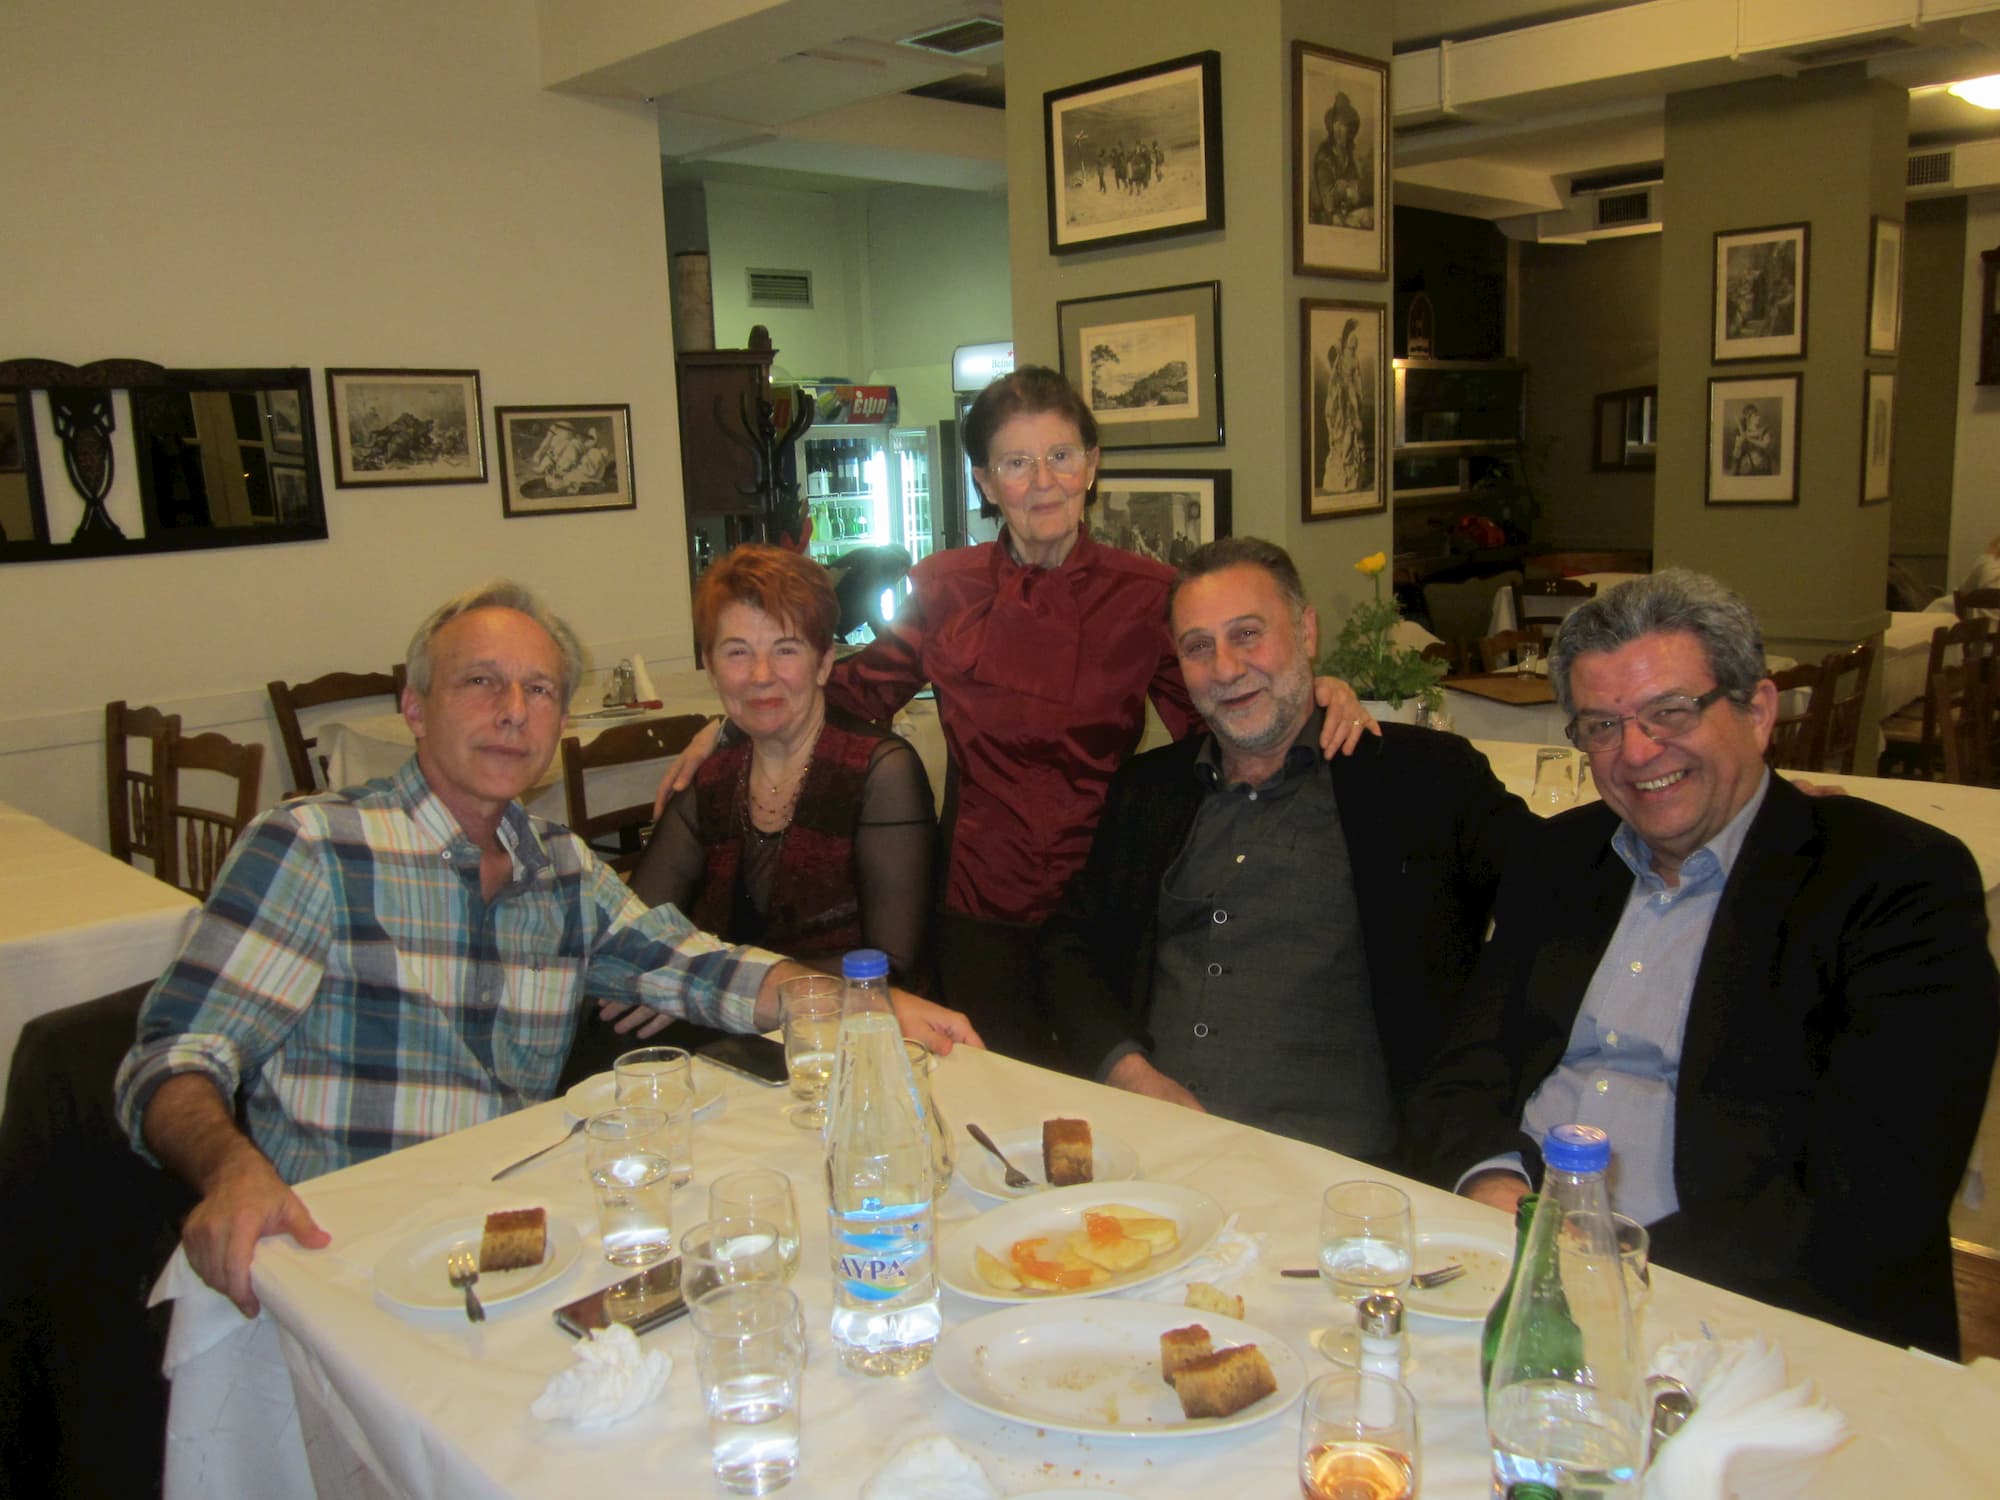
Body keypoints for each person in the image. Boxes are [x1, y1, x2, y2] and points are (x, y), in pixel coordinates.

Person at [113, 580, 976, 1317]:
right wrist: (231, 1169)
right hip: (337, 1262)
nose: (512, 713)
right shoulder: (317, 849)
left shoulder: (557, 866)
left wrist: (869, 1004)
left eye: (539, 690)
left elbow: (695, 965)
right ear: (415, 707)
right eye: (480, 683)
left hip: (508, 1256)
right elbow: (172, 1056)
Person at [659, 367, 1373, 1063]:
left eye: (1061, 456)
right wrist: (728, 729)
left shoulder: (1147, 593)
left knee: (1109, 1088)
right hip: (977, 905)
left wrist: (1315, 694)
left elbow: (1220, 716)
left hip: (1109, 900)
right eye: (1017, 463)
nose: (1042, 481)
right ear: (985, 481)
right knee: (996, 1089)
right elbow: (846, 694)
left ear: (1091, 465)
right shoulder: (944, 586)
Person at [1408, 569, 1998, 1356]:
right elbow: (1465, 1068)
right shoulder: (1559, 859)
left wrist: (1608, 1272)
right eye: (1602, 726)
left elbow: (1876, 1196)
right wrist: (1498, 1193)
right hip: (1511, 1269)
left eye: (1672, 711)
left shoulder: (1895, 880)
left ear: (1757, 712)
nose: (1637, 751)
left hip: (1755, 1320)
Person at [1040, 538, 1529, 1161]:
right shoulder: (1151, 790)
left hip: (1340, 1176)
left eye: (1248, 634)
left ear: (1306, 631)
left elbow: (1553, 896)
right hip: (1157, 1155)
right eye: (1198, 647)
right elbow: (1067, 948)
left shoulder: (1420, 779)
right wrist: (1130, 1074)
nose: (1225, 669)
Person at [629, 545, 934, 985]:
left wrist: (712, 977)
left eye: (785, 650)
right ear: (711, 669)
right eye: (737, 653)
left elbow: (892, 964)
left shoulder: (879, 772)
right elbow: (634, 935)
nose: (761, 675)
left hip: (848, 1023)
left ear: (824, 664)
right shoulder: (713, 778)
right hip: (720, 1017)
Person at [1322, 321, 1367, 494]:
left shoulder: (1354, 359)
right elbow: (1335, 374)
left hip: (1351, 391)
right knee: (1342, 427)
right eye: (1351, 342)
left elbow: (1358, 378)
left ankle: (1348, 467)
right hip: (1341, 391)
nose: (1353, 344)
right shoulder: (1341, 357)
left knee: (1353, 421)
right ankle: (1342, 467)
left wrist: (1359, 393)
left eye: (1355, 343)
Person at [1310, 93, 1364, 226]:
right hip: (1322, 219)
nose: (1340, 130)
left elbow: (1357, 192)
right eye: (1337, 124)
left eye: (1344, 125)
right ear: (1332, 127)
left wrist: (1353, 190)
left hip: (1345, 215)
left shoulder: (1351, 156)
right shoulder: (1324, 156)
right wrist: (1344, 189)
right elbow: (1327, 201)